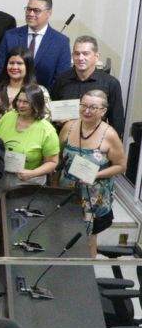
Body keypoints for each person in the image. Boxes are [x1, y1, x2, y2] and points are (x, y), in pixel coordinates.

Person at [60, 90, 127, 257]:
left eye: (93, 107)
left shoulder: (109, 134)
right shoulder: (69, 127)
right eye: (83, 105)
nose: (87, 111)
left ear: (103, 111)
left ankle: (87, 269)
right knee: (62, 232)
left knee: (89, 239)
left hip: (93, 195)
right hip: (66, 189)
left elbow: (121, 166)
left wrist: (95, 175)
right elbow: (58, 156)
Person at [0, 84, 60, 223]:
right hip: (0, 178)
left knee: (18, 224)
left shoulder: (47, 130)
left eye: (26, 102)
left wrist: (32, 173)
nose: (21, 105)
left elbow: (52, 162)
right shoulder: (8, 117)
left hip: (26, 182)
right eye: (19, 100)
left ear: (36, 104)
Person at [0, 0, 73, 89]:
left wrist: (42, 95)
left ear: (49, 13)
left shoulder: (61, 42)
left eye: (36, 10)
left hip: (45, 96)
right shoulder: (10, 36)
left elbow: (61, 78)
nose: (31, 14)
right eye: (28, 9)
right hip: (10, 93)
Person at [52, 36, 126, 137]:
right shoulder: (61, 79)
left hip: (95, 142)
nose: (80, 58)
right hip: (63, 138)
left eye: (85, 53)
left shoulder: (111, 83)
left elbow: (117, 122)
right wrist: (57, 120)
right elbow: (52, 114)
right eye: (77, 53)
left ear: (96, 56)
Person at [0, 46, 47, 120]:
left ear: (28, 67)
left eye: (19, 63)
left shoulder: (40, 91)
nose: (14, 67)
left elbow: (45, 118)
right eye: (11, 63)